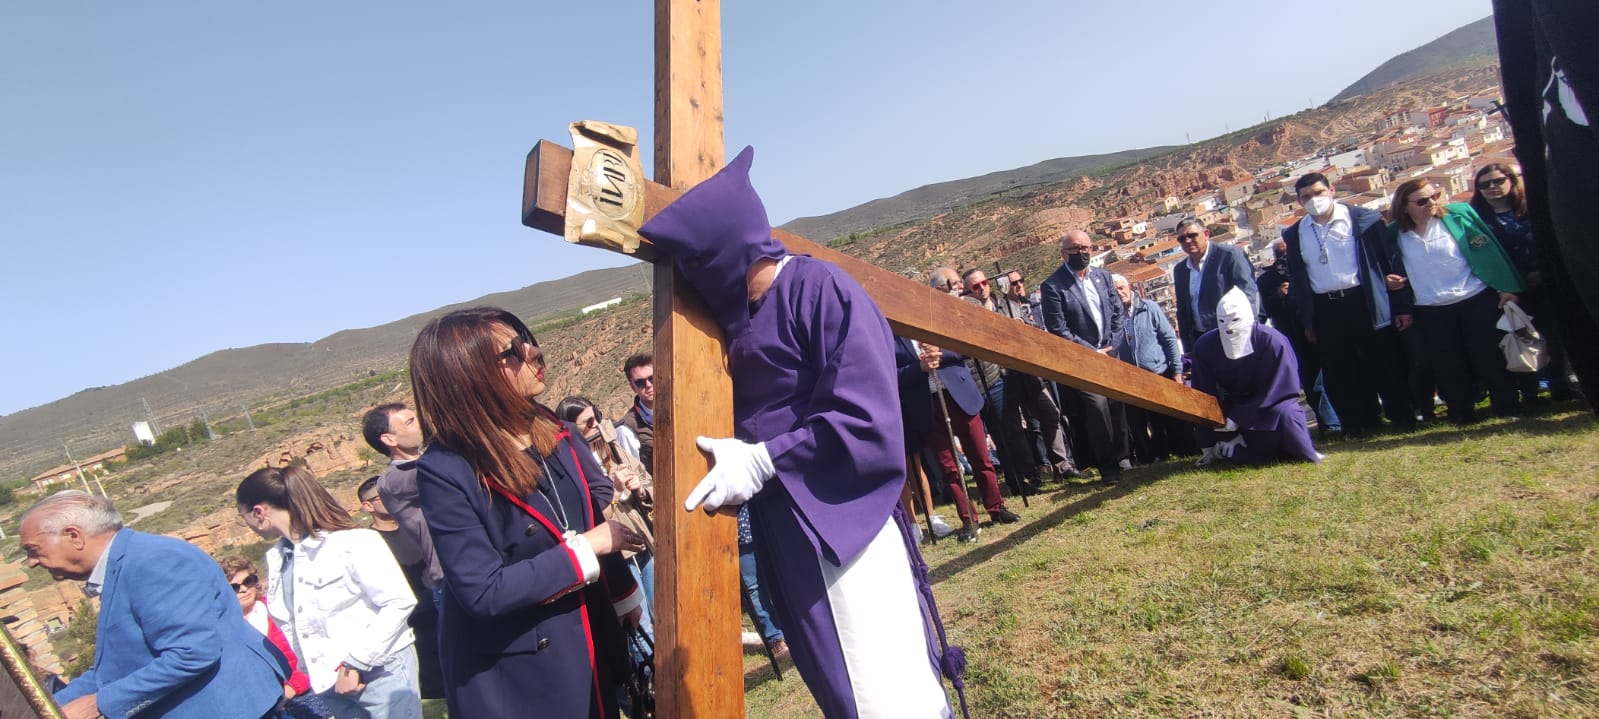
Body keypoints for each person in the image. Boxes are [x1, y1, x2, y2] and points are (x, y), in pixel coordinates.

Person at [637, 146, 961, 718]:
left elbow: (864, 418)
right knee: (837, 685)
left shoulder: (821, 291)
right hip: (785, 530)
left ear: (725, 254)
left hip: (839, 522)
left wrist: (766, 459)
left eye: (696, 264)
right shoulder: (736, 323)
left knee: (879, 684)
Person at [409, 307, 644, 719]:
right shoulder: (447, 469)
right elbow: (482, 591)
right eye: (513, 351)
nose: (534, 352)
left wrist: (623, 595)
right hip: (522, 667)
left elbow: (591, 518)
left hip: (589, 629)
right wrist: (585, 550)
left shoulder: (553, 430)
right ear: (468, 374)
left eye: (526, 339)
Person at [20, 491, 288, 719]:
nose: (32, 562)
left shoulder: (153, 562)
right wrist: (41, 708)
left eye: (33, 549)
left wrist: (98, 704)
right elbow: (114, 669)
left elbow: (192, 653)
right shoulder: (124, 567)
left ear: (73, 536)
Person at [236, 466, 423, 719]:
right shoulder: (278, 560)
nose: (247, 526)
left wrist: (355, 663)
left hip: (379, 674)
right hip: (329, 684)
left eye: (243, 517)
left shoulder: (352, 542)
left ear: (258, 512)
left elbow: (398, 601)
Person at [1281, 173, 1416, 437]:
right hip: (1325, 308)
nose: (1313, 200)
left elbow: (1388, 264)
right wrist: (1307, 320)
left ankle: (1401, 416)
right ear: (1299, 201)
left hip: (1365, 300)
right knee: (1341, 369)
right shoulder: (1296, 233)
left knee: (1384, 362)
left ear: (1331, 190)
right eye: (1306, 197)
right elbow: (1299, 278)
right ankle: (1359, 422)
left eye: (1318, 193)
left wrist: (1401, 307)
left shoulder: (1363, 221)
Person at [1384, 179, 1525, 424]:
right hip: (1430, 308)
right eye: (1422, 201)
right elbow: (1386, 268)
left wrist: (1504, 286)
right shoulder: (1394, 233)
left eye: (1435, 196)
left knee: (1488, 356)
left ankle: (1507, 406)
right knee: (1447, 363)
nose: (1432, 203)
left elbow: (1488, 250)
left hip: (1474, 298)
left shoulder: (1458, 216)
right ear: (1404, 207)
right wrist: (1391, 283)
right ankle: (1461, 412)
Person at [894, 334, 1018, 544]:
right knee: (948, 467)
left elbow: (964, 348)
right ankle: (968, 519)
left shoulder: (934, 318)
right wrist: (919, 368)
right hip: (927, 406)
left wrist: (940, 348)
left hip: (960, 395)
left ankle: (996, 507)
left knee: (980, 456)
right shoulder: (892, 336)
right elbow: (892, 374)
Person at [1471, 162, 1576, 401]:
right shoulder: (1477, 220)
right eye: (1485, 184)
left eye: (1498, 181)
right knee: (1519, 339)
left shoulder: (1532, 209)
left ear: (1511, 180)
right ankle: (1530, 390)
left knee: (1554, 335)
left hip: (1546, 282)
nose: (1492, 187)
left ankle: (1561, 385)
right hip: (1509, 290)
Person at [1189, 288, 1323, 466]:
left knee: (1287, 415)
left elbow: (1282, 388)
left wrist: (1239, 417)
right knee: (1235, 455)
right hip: (1231, 412)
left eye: (1235, 320)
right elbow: (1203, 393)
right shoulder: (1205, 347)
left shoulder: (1272, 341)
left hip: (1272, 407)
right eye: (1223, 321)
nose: (1229, 328)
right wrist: (1209, 441)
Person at [554, 395, 657, 622]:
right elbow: (585, 512)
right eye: (587, 422)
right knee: (639, 620)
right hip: (614, 552)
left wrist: (639, 488)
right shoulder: (568, 464)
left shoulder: (613, 447)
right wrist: (616, 490)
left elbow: (647, 480)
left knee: (661, 608)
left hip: (640, 538)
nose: (595, 425)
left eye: (596, 418)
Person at [1040, 229, 1129, 483]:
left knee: (1116, 404)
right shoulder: (1053, 286)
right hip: (1083, 360)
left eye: (1085, 248)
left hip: (1110, 353)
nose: (1081, 253)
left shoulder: (1103, 276)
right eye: (1074, 249)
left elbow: (1116, 314)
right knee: (1097, 409)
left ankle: (1124, 457)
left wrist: (1113, 344)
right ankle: (1108, 467)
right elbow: (1058, 329)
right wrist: (1092, 353)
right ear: (1063, 253)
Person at [357, 478, 444, 701]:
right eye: (381, 497)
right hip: (411, 624)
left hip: (442, 610)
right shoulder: (369, 542)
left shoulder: (416, 526)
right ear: (367, 506)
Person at [218, 554, 332, 719]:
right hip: (264, 706)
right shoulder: (224, 629)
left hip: (305, 695)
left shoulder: (279, 611)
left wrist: (293, 687)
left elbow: (310, 651)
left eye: (248, 581)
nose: (243, 589)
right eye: (234, 587)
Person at [361, 403, 444, 602]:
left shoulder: (427, 463)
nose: (419, 424)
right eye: (410, 422)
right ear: (389, 439)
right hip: (450, 581)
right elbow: (435, 471)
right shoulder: (393, 481)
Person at [1111, 273, 1188, 462]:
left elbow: (1169, 340)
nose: (1120, 293)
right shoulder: (1113, 320)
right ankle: (1150, 458)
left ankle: (1179, 453)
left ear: (1129, 287)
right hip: (1131, 380)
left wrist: (1177, 372)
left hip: (1158, 373)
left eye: (1121, 288)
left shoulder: (1149, 308)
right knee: (1137, 423)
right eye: (1114, 291)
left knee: (1165, 420)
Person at [1171, 218, 1259, 350]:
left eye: (1192, 235)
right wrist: (1189, 349)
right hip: (1202, 340)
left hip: (1234, 334)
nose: (1187, 241)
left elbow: (1248, 294)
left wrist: (1251, 331)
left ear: (1206, 234)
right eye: (1182, 239)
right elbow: (1183, 312)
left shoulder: (1229, 256)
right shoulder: (1180, 270)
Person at [617, 353, 656, 470]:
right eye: (640, 382)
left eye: (652, 378)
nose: (648, 385)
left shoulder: (682, 406)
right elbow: (637, 476)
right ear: (633, 387)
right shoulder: (626, 429)